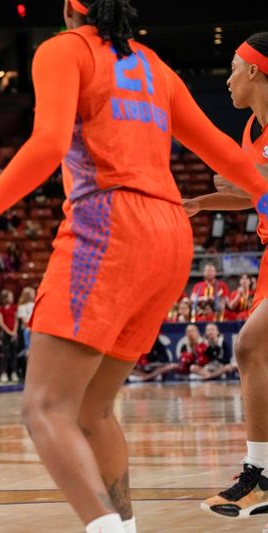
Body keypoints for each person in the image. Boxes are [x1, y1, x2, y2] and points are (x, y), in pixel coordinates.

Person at [0, 2, 268, 531]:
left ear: (68, 9)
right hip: (172, 236)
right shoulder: (154, 64)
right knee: (92, 410)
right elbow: (225, 152)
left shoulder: (64, 49)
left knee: (43, 407)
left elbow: (47, 145)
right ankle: (123, 524)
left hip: (109, 225)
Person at [183, 32, 268, 521]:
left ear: (256, 71)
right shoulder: (252, 130)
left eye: (234, 67)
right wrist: (202, 202)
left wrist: (252, 188)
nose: (229, 78)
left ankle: (260, 473)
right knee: (256, 351)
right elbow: (251, 194)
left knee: (251, 346)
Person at [0, 289, 20, 383]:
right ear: (5, 298)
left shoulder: (14, 307)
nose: (12, 298)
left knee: (14, 354)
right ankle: (3, 373)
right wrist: (9, 332)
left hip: (14, 333)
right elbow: (1, 323)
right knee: (5, 353)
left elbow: (16, 320)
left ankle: (14, 372)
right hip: (5, 334)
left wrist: (14, 331)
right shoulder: (0, 308)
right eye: (10, 296)